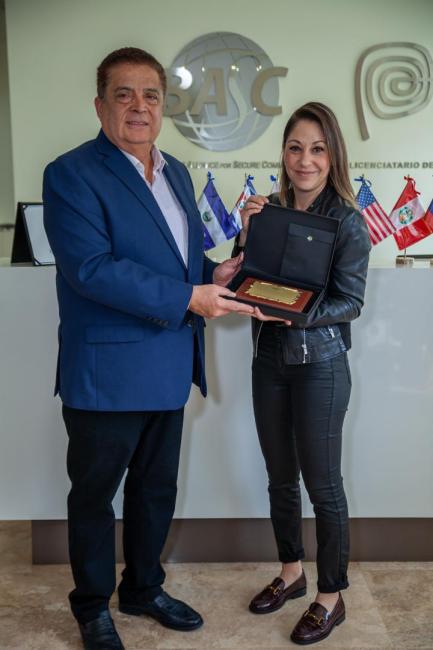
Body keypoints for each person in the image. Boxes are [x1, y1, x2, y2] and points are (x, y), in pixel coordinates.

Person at [43, 46, 254, 650]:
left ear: (164, 106)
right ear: (100, 105)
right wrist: (190, 296)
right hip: (105, 372)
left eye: (151, 95)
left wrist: (213, 274)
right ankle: (91, 607)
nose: (139, 106)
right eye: (124, 94)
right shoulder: (71, 173)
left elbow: (181, 261)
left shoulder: (177, 172)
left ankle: (141, 588)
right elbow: (92, 269)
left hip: (168, 363)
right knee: (94, 498)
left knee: (155, 491)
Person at [233, 102, 371, 645]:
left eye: (317, 149)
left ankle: (331, 597)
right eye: (295, 148)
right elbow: (244, 278)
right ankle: (291, 573)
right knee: (279, 478)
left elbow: (350, 301)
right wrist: (245, 234)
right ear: (284, 153)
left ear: (332, 155)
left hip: (321, 368)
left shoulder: (348, 221)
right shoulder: (268, 211)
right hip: (268, 361)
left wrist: (295, 313)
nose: (305, 160)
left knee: (324, 486)